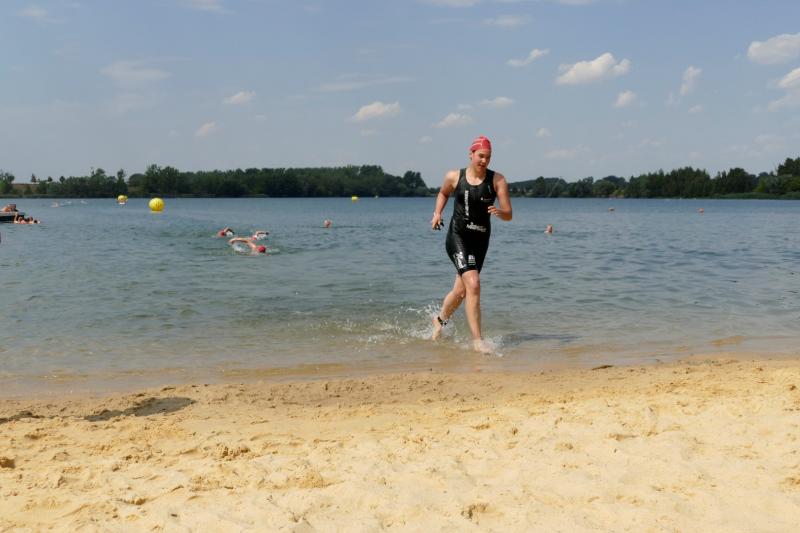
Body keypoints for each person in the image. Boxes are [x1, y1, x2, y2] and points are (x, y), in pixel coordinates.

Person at [430, 135, 512, 353]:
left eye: (488, 157)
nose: (484, 161)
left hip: (480, 241)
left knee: (461, 291)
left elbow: (509, 214)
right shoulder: (454, 176)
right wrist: (437, 213)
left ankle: (439, 320)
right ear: (471, 154)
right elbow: (443, 193)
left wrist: (500, 212)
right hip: (458, 237)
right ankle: (478, 341)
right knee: (473, 284)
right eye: (481, 156)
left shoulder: (497, 180)